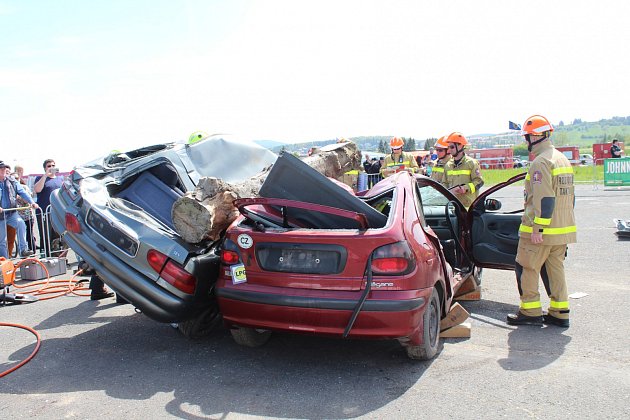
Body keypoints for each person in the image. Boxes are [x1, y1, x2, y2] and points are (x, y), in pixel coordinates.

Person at [506, 115, 577, 327]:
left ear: (536, 136)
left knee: (526, 267)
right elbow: (570, 198)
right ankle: (559, 311)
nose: (526, 142)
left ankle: (530, 312)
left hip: (540, 231)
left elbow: (545, 198)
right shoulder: (561, 158)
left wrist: (538, 228)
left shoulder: (541, 162)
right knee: (556, 270)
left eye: (527, 137)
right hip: (561, 230)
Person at [0, 160, 39, 259]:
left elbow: (22, 192)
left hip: (11, 212)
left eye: (4, 168)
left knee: (21, 224)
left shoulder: (12, 180)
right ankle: (5, 261)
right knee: (2, 240)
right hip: (1, 215)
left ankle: (23, 250)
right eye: (1, 168)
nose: (4, 170)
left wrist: (32, 202)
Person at [443, 132, 484, 208]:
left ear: (460, 146)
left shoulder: (472, 163)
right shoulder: (448, 165)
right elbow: (444, 184)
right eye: (448, 147)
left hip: (468, 208)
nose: (449, 150)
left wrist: (465, 188)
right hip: (452, 207)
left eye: (452, 147)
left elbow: (479, 181)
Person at [33, 159, 63, 257]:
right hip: (44, 212)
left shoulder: (60, 179)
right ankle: (45, 255)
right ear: (45, 168)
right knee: (45, 234)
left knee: (58, 235)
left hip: (57, 212)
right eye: (49, 166)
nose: (51, 167)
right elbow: (37, 189)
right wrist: (45, 175)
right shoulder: (40, 178)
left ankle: (57, 256)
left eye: (53, 165)